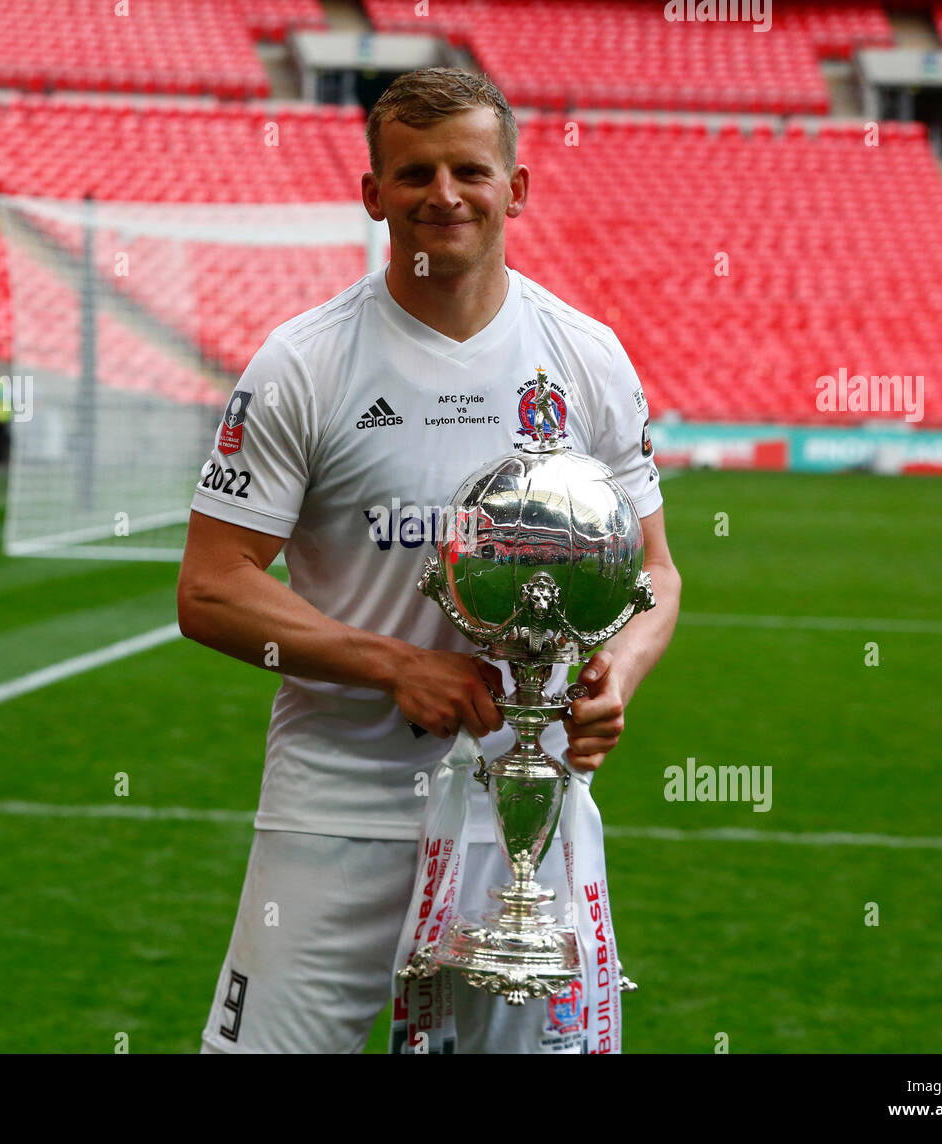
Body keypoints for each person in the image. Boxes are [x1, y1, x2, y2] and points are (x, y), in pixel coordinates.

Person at [177, 67, 681, 1054]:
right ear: (373, 195)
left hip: (521, 807)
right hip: (337, 801)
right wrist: (394, 663)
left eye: (468, 170)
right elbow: (209, 588)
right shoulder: (304, 363)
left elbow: (653, 574)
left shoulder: (585, 358)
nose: (443, 195)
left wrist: (616, 671)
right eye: (413, 174)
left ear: (516, 188)